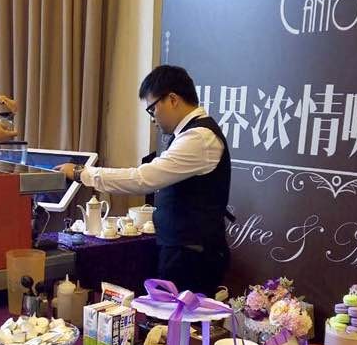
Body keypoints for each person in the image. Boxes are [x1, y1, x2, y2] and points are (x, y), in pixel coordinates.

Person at [57, 65, 231, 297]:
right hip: (181, 249)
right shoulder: (189, 135)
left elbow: (143, 178)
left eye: (152, 109)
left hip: (192, 255)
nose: (153, 119)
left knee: (182, 317)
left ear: (172, 99)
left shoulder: (199, 137)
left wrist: (83, 173)